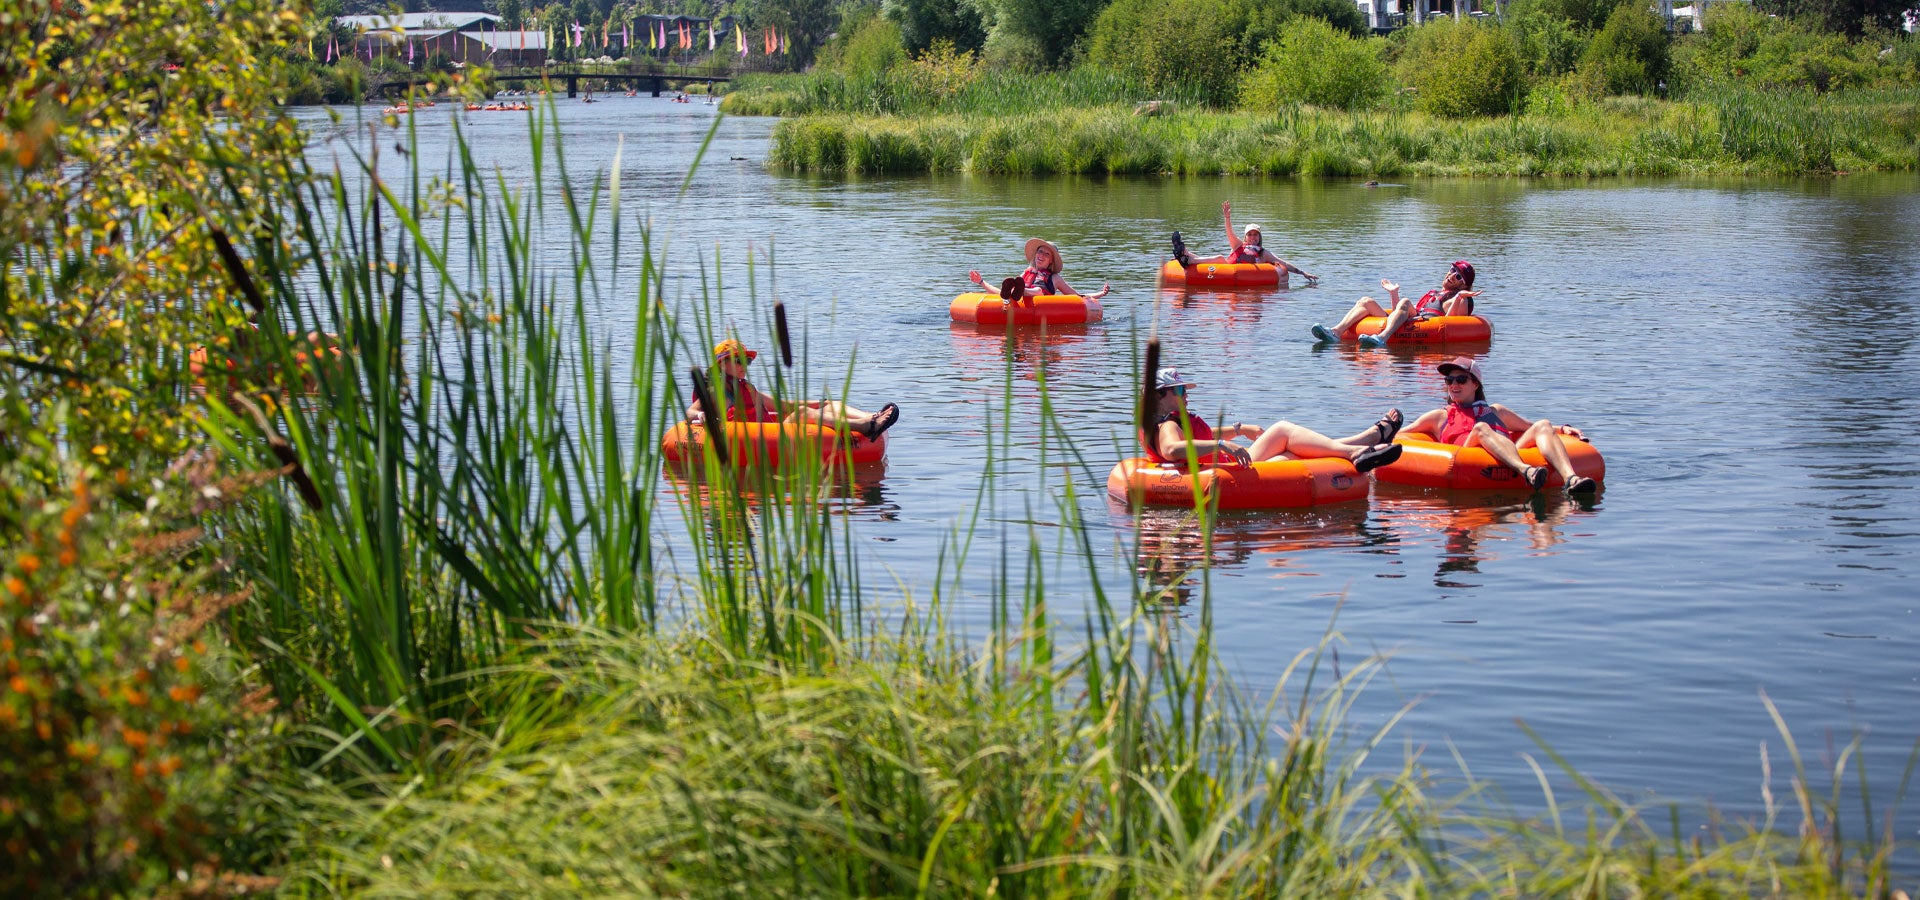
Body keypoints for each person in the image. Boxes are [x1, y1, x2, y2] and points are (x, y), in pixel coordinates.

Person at [1143, 368, 1403, 472]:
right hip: (1230, 467)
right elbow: (1172, 449)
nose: (1185, 395)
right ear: (1160, 396)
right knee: (1283, 430)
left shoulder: (1167, 423)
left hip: (1227, 464)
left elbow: (1199, 436)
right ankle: (1360, 448)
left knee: (1293, 453)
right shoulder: (1167, 426)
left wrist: (1238, 429)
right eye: (1179, 390)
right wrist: (1223, 444)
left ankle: (1366, 441)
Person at [1403, 356, 1598, 495]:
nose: (1454, 384)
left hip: (1507, 454)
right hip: (1470, 458)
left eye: (1461, 379)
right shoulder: (1440, 416)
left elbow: (1530, 426)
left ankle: (1571, 479)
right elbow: (1402, 435)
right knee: (1481, 428)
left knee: (1543, 425)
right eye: (1449, 380)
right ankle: (1526, 471)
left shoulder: (1496, 412)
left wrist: (1562, 429)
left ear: (1475, 384)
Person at [687, 339, 901, 440]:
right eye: (737, 360)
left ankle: (872, 418)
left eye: (746, 361)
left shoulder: (747, 388)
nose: (743, 366)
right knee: (802, 414)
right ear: (720, 365)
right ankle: (866, 427)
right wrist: (703, 415)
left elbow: (783, 405)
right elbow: (691, 412)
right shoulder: (715, 391)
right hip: (756, 438)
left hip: (769, 431)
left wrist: (822, 403)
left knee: (829, 405)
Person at [1311, 260, 1480, 348]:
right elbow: (1398, 313)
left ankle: (1382, 338)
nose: (1451, 276)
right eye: (1452, 271)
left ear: (1464, 285)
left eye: (1458, 276)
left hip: (1426, 325)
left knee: (1406, 302)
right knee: (1366, 301)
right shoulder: (1434, 292)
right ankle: (1335, 332)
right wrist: (1394, 293)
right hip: (1412, 320)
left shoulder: (1461, 298)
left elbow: (1451, 326)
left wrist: (1459, 298)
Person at [1169, 201, 1316, 282]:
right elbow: (1229, 232)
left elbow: (1282, 263)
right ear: (1245, 237)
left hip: (1236, 273)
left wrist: (1302, 272)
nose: (1253, 237)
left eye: (1255, 235)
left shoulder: (1264, 254)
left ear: (1259, 238)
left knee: (1219, 258)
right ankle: (1184, 254)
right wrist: (1227, 218)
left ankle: (1186, 257)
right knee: (1219, 258)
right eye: (1250, 235)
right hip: (1225, 270)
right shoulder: (1238, 245)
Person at [969, 238, 1110, 306]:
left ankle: (1018, 292)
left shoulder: (1055, 278)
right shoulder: (1025, 273)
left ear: (1051, 262)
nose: (1041, 255)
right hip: (1019, 295)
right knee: (1014, 288)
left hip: (1038, 296)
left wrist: (1100, 294)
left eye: (1046, 254)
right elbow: (1000, 292)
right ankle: (1016, 293)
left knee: (1037, 290)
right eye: (1040, 252)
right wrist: (981, 282)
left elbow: (1077, 296)